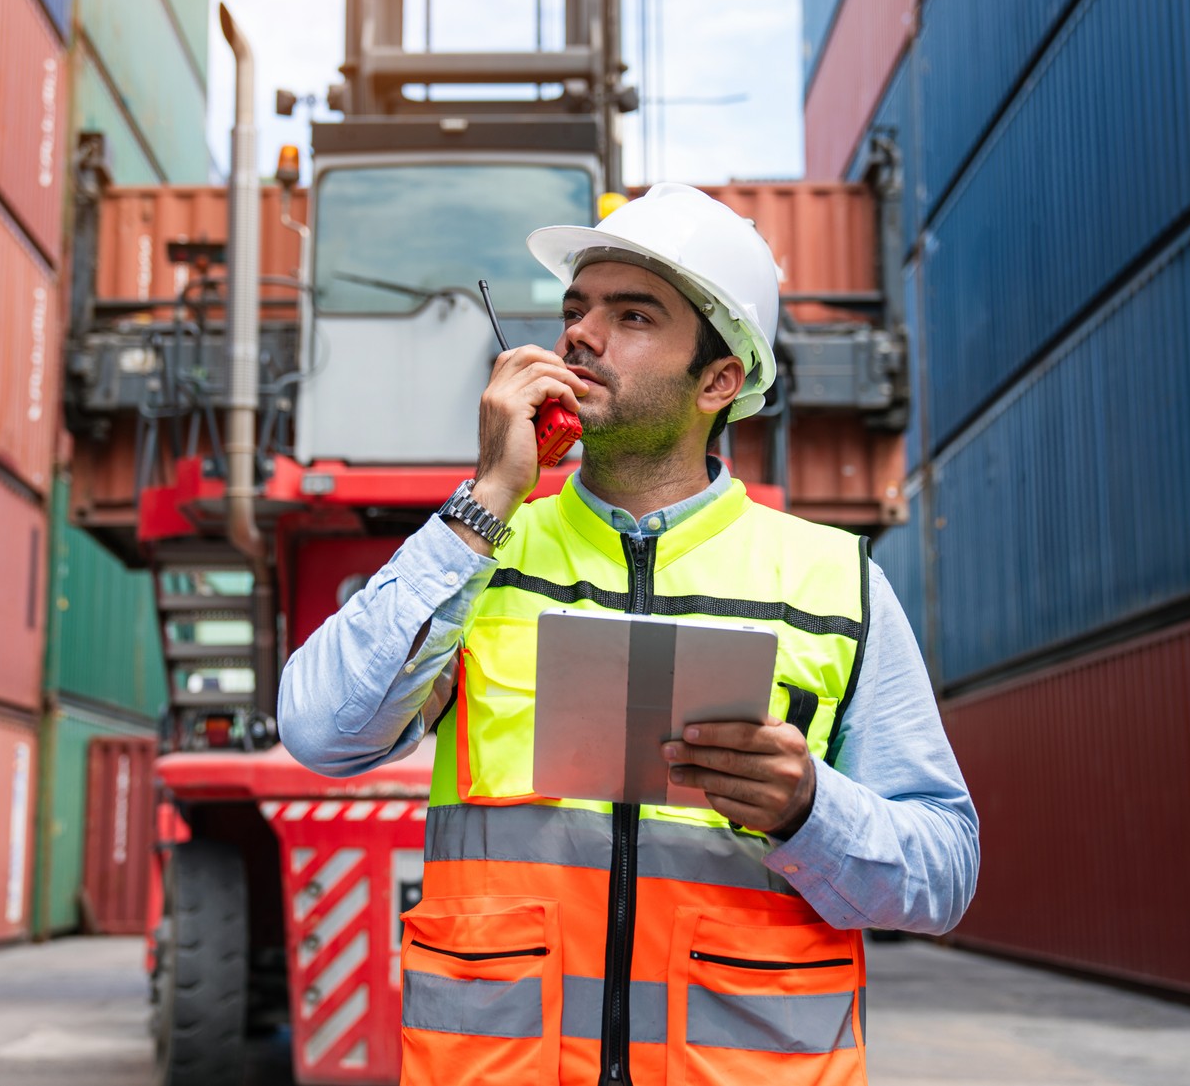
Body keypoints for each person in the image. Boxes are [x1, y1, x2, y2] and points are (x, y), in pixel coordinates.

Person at [280, 182, 979, 1085]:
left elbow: (944, 872)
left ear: (719, 380)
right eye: (577, 309)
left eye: (633, 314)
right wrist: (488, 497)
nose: (581, 335)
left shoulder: (833, 584)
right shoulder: (477, 556)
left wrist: (812, 808)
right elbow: (318, 729)